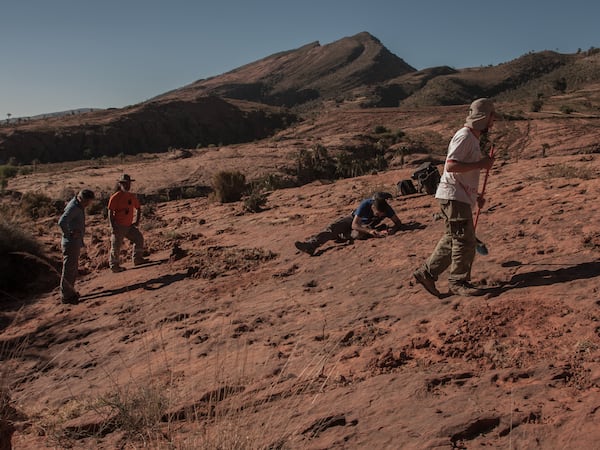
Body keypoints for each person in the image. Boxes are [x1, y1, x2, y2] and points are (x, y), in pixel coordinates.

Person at [413, 98, 496, 297]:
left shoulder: (472, 138)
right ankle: (458, 282)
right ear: (484, 118)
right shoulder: (465, 136)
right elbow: (451, 166)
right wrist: (482, 164)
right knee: (464, 241)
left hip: (457, 195)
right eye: (492, 117)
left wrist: (476, 196)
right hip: (453, 195)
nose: (493, 122)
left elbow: (463, 172)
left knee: (454, 237)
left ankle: (427, 273)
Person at [295, 195, 403, 256]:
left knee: (357, 235)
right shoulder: (365, 204)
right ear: (373, 207)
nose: (380, 215)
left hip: (366, 226)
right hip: (352, 219)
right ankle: (311, 245)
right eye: (378, 213)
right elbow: (355, 224)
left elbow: (398, 222)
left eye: (382, 214)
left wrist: (393, 230)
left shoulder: (386, 208)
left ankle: (342, 236)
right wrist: (370, 232)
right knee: (333, 228)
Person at [58, 189, 95, 304]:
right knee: (69, 269)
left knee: (72, 268)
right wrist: (69, 234)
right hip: (70, 243)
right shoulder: (74, 207)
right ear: (82, 199)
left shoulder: (77, 205)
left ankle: (69, 292)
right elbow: (61, 221)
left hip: (73, 242)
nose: (89, 204)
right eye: (88, 202)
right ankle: (66, 296)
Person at [107, 174, 148, 272]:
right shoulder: (115, 197)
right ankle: (114, 266)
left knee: (138, 238)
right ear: (120, 184)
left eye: (128, 183)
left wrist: (137, 221)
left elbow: (138, 208)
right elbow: (110, 212)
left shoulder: (131, 196)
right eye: (124, 184)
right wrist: (112, 226)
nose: (127, 186)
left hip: (129, 226)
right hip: (119, 226)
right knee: (116, 246)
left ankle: (138, 259)